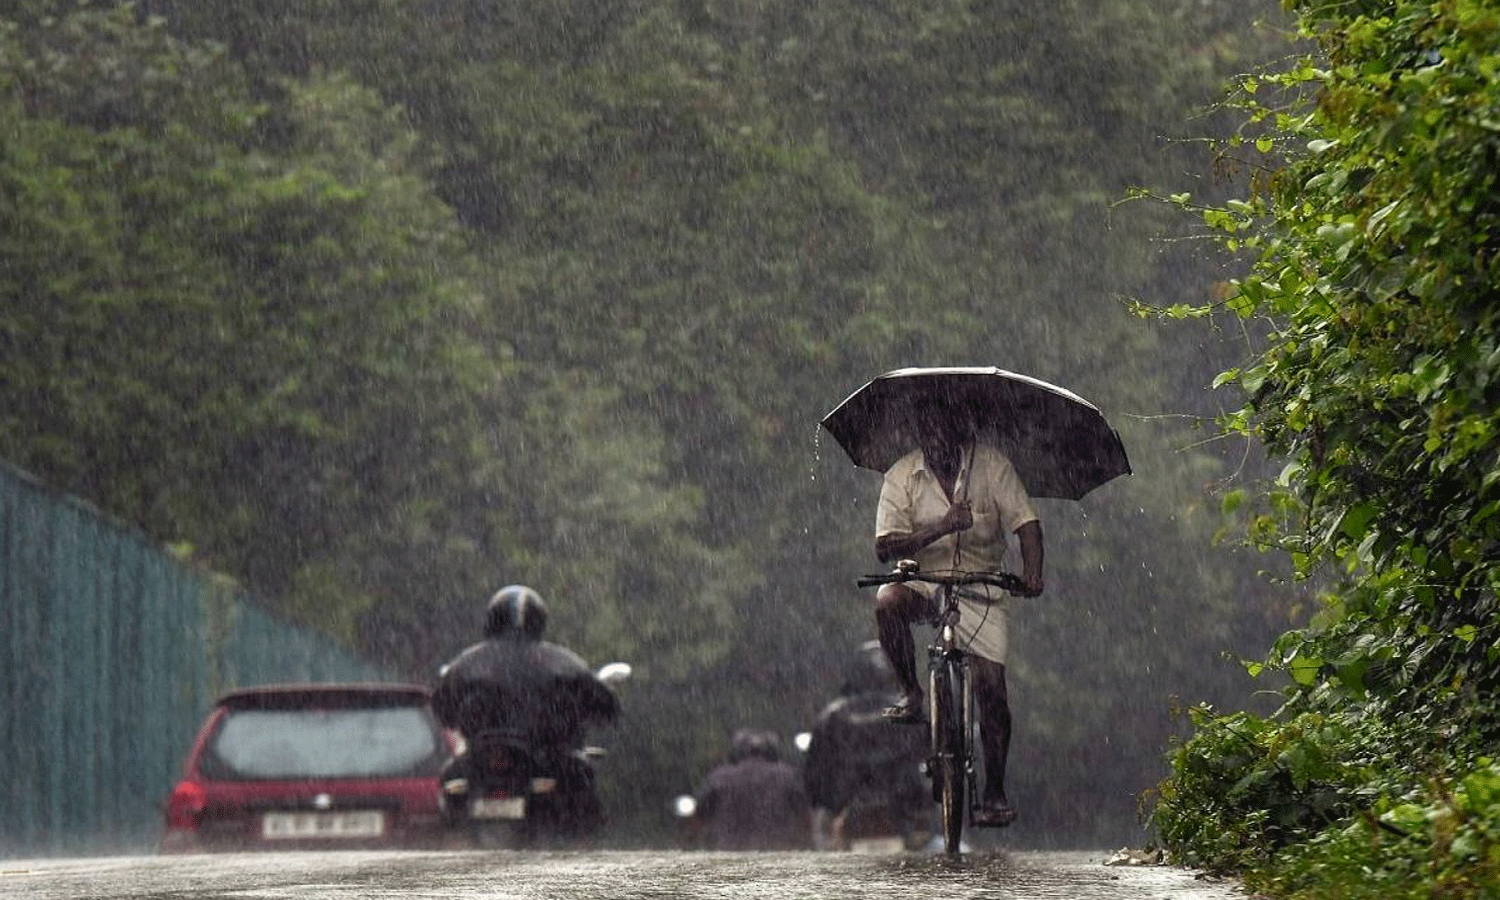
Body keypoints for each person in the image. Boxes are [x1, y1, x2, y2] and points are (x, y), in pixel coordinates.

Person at [872, 396, 1044, 828]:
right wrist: (942, 527)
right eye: (928, 437)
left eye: (945, 436)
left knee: (992, 690)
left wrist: (1033, 574)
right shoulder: (901, 474)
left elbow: (1027, 525)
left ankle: (995, 791)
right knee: (887, 601)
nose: (937, 445)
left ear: (963, 435)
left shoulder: (993, 467)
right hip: (923, 580)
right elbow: (885, 547)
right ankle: (912, 693)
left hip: (981, 583)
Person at [432, 584, 620, 836]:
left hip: (485, 759)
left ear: (492, 619)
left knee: (450, 779)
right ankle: (582, 844)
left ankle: (450, 833)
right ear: (539, 620)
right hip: (545, 757)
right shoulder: (562, 662)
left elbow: (442, 708)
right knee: (583, 778)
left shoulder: (467, 664)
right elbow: (605, 705)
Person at [803, 641, 930, 850]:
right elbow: (932, 759)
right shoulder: (914, 712)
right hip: (903, 803)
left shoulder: (831, 716)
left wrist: (827, 800)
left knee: (823, 848)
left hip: (848, 804)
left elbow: (814, 775)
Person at [690, 729, 813, 851]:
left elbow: (698, 819)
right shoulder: (787, 776)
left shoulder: (719, 777)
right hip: (776, 853)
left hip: (729, 853)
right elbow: (805, 818)